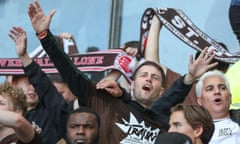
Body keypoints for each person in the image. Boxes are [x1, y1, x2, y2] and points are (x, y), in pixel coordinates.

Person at [27, 0, 217, 143]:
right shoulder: (102, 100)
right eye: (143, 75)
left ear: (161, 91)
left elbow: (170, 99)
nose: (148, 79)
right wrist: (45, 36)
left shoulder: (161, 119)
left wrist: (190, 78)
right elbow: (69, 72)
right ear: (132, 83)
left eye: (155, 77)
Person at [145, 14, 230, 105]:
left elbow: (151, 63)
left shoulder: (184, 86)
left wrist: (156, 22)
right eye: (206, 59)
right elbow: (152, 66)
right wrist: (157, 19)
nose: (216, 92)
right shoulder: (184, 86)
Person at [8, 26, 69, 144]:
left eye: (34, 83)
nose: (33, 87)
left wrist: (24, 56)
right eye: (28, 82)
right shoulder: (5, 114)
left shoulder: (52, 114)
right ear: (14, 83)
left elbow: (46, 89)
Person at [195, 70, 240, 143]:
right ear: (200, 101)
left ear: (230, 97)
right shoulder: (195, 131)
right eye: (210, 89)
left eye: (222, 88)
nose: (217, 92)